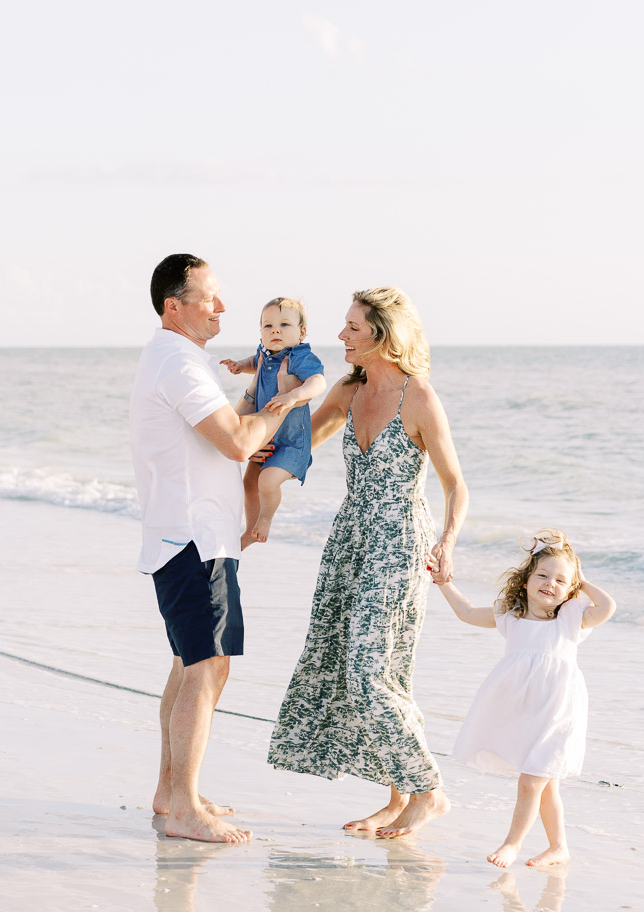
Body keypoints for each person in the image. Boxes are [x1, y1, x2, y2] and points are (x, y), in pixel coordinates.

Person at [267, 286, 469, 838]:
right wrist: (259, 426)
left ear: (383, 334)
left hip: (399, 540)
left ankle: (428, 792)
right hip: (350, 538)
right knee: (377, 669)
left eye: (353, 328)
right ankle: (398, 797)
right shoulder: (348, 390)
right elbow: (301, 442)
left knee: (367, 672)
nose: (341, 337)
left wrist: (447, 542)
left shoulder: (420, 397)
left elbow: (456, 486)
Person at [129, 254, 300, 845]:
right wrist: (285, 404)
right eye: (209, 297)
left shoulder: (180, 359)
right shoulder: (177, 361)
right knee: (205, 667)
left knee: (191, 663)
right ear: (173, 305)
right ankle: (182, 810)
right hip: (192, 539)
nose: (222, 307)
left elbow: (218, 438)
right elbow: (231, 440)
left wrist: (248, 431)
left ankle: (174, 792)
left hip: (190, 536)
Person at [433, 528, 617, 868]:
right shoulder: (511, 616)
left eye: (562, 581)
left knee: (531, 782)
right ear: (527, 579)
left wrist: (583, 579)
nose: (551, 584)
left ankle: (512, 844)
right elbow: (468, 613)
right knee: (546, 787)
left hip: (558, 713)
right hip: (524, 713)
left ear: (571, 590)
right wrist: (443, 583)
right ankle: (559, 847)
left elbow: (608, 607)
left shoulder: (571, 619)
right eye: (543, 575)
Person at [219, 297, 327, 548]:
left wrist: (293, 396)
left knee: (267, 482)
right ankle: (250, 528)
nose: (275, 330)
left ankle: (266, 519)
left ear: (301, 332)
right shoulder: (264, 355)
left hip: (291, 444)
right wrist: (240, 365)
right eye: (267, 326)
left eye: (284, 325)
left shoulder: (301, 356)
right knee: (248, 484)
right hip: (264, 440)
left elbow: (318, 382)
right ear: (260, 334)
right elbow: (253, 363)